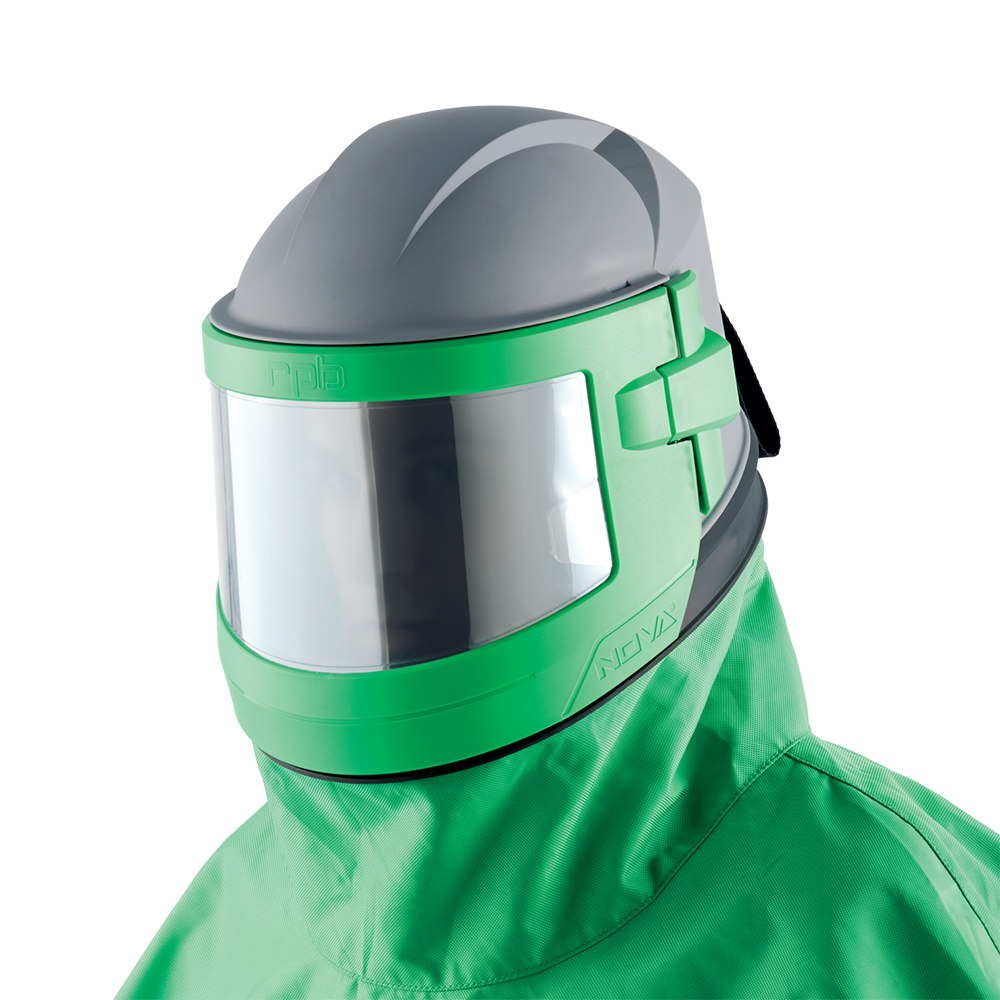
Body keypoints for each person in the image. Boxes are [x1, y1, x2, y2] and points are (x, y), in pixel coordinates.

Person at [117, 106, 1000, 999]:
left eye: (441, 477)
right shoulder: (221, 945)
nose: (367, 554)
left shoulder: (886, 924)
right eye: (324, 485)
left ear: (680, 448)